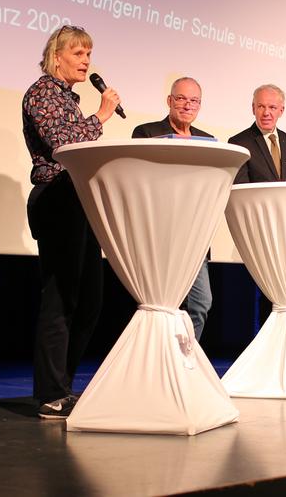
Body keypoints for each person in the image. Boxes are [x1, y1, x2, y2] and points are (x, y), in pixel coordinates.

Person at [22, 25, 122, 419]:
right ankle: (50, 392)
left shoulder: (69, 99)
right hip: (55, 200)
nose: (86, 62)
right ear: (57, 55)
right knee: (60, 298)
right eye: (79, 54)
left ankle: (62, 385)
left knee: (90, 301)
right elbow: (62, 145)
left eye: (88, 55)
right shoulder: (41, 93)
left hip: (79, 199)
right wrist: (102, 115)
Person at [132, 77, 213, 341]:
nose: (187, 105)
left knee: (201, 304)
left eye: (194, 101)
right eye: (181, 99)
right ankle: (157, 362)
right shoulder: (146, 133)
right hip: (158, 233)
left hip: (194, 234)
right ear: (169, 101)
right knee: (161, 306)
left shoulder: (209, 141)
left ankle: (183, 362)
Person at [228, 84, 286, 324]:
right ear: (253, 108)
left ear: (281, 110)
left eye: (272, 107)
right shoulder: (240, 141)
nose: (266, 112)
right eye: (261, 106)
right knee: (267, 290)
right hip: (260, 226)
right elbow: (240, 188)